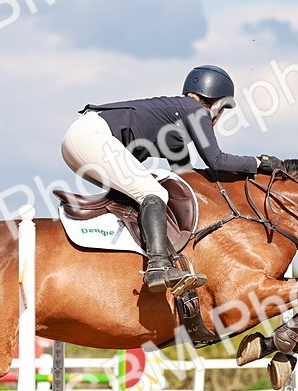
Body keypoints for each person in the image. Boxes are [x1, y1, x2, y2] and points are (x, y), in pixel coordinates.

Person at [61, 65, 283, 296]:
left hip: (82, 140)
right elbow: (216, 160)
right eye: (223, 110)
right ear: (218, 103)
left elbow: (186, 179)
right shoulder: (196, 111)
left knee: (145, 193)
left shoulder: (177, 124)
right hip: (91, 138)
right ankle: (158, 267)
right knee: (154, 193)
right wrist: (259, 163)